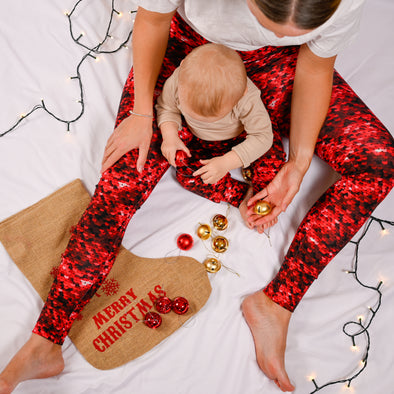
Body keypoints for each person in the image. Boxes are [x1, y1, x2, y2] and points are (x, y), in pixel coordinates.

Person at [0, 1, 393, 393]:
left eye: (291, 33)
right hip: (189, 61)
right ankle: (46, 341)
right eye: (267, 25)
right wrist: (142, 115)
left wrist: (299, 161)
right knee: (120, 187)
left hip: (277, 68)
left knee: (379, 162)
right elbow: (154, 19)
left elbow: (314, 65)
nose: (271, 35)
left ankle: (276, 303)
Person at [156, 42, 283, 223]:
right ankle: (239, 195)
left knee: (273, 157)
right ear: (181, 66)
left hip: (242, 137)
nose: (200, 120)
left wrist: (227, 162)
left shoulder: (247, 98)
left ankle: (262, 196)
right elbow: (166, 107)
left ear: (242, 93)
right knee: (188, 175)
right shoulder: (178, 81)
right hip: (201, 142)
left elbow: (262, 137)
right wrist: (169, 135)